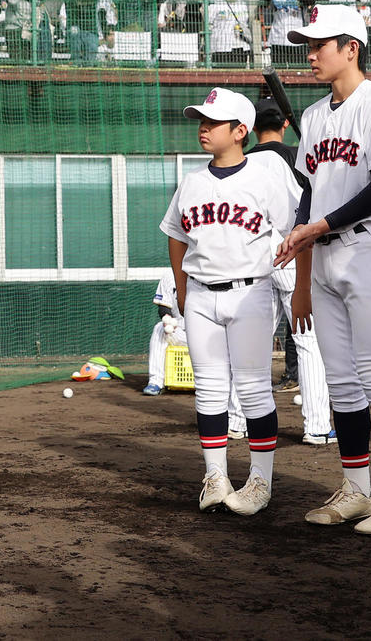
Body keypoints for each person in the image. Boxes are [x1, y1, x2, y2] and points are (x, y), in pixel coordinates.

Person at [276, 4, 371, 535]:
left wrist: (315, 229)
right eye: (308, 44)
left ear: (352, 48)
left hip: (368, 248)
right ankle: (359, 490)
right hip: (323, 256)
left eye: (321, 44)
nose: (311, 53)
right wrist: (302, 253)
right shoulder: (316, 116)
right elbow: (307, 197)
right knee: (341, 383)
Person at [161, 87, 299, 516]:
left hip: (251, 292)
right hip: (201, 294)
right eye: (201, 119)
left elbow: (298, 226)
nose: (203, 127)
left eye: (213, 122)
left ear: (241, 131)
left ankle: (260, 480)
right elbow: (176, 235)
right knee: (210, 390)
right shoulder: (192, 181)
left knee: (255, 389)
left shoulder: (265, 177)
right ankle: (215, 476)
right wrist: (183, 291)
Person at [249, 100, 333, 444]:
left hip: (249, 256)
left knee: (251, 344)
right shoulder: (299, 157)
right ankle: (316, 426)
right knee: (308, 340)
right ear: (285, 123)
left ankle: (237, 421)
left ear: (251, 127)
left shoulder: (240, 159)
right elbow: (307, 207)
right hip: (288, 250)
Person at [143, 269, 187, 395]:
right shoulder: (170, 275)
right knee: (159, 328)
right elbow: (164, 307)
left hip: (206, 335)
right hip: (181, 333)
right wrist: (167, 318)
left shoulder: (207, 272)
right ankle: (155, 381)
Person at [206, 0, 251, 64]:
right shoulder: (216, 5)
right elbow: (208, 25)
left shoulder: (244, 5)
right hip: (221, 47)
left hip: (241, 46)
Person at [265, 0, 306, 67]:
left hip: (296, 40)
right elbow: (262, 0)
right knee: (278, 69)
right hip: (278, 39)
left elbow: (311, 0)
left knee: (298, 70)